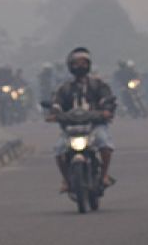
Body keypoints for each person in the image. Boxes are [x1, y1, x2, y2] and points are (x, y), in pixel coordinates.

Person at [46, 47, 116, 191]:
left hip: (94, 125)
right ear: (70, 66)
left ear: (89, 65)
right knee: (59, 150)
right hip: (71, 129)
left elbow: (107, 99)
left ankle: (104, 176)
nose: (80, 66)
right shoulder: (64, 88)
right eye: (76, 63)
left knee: (105, 143)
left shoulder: (98, 85)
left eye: (83, 63)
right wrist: (54, 114)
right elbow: (57, 104)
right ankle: (66, 180)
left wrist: (106, 111)